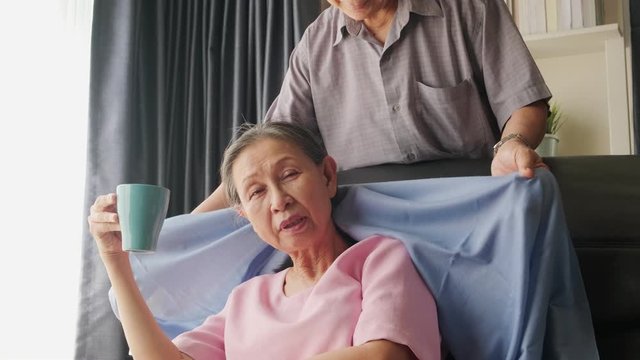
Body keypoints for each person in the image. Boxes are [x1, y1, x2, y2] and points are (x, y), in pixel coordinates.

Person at [89, 122, 440, 360]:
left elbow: (385, 354)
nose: (278, 200)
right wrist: (116, 262)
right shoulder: (247, 298)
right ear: (244, 215)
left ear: (328, 176)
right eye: (256, 192)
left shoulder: (376, 259)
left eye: (289, 175)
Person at [192, 0, 551, 213]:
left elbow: (524, 100)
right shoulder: (315, 45)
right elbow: (269, 150)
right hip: (364, 225)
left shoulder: (470, 8)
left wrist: (512, 144)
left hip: (472, 207)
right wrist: (191, 222)